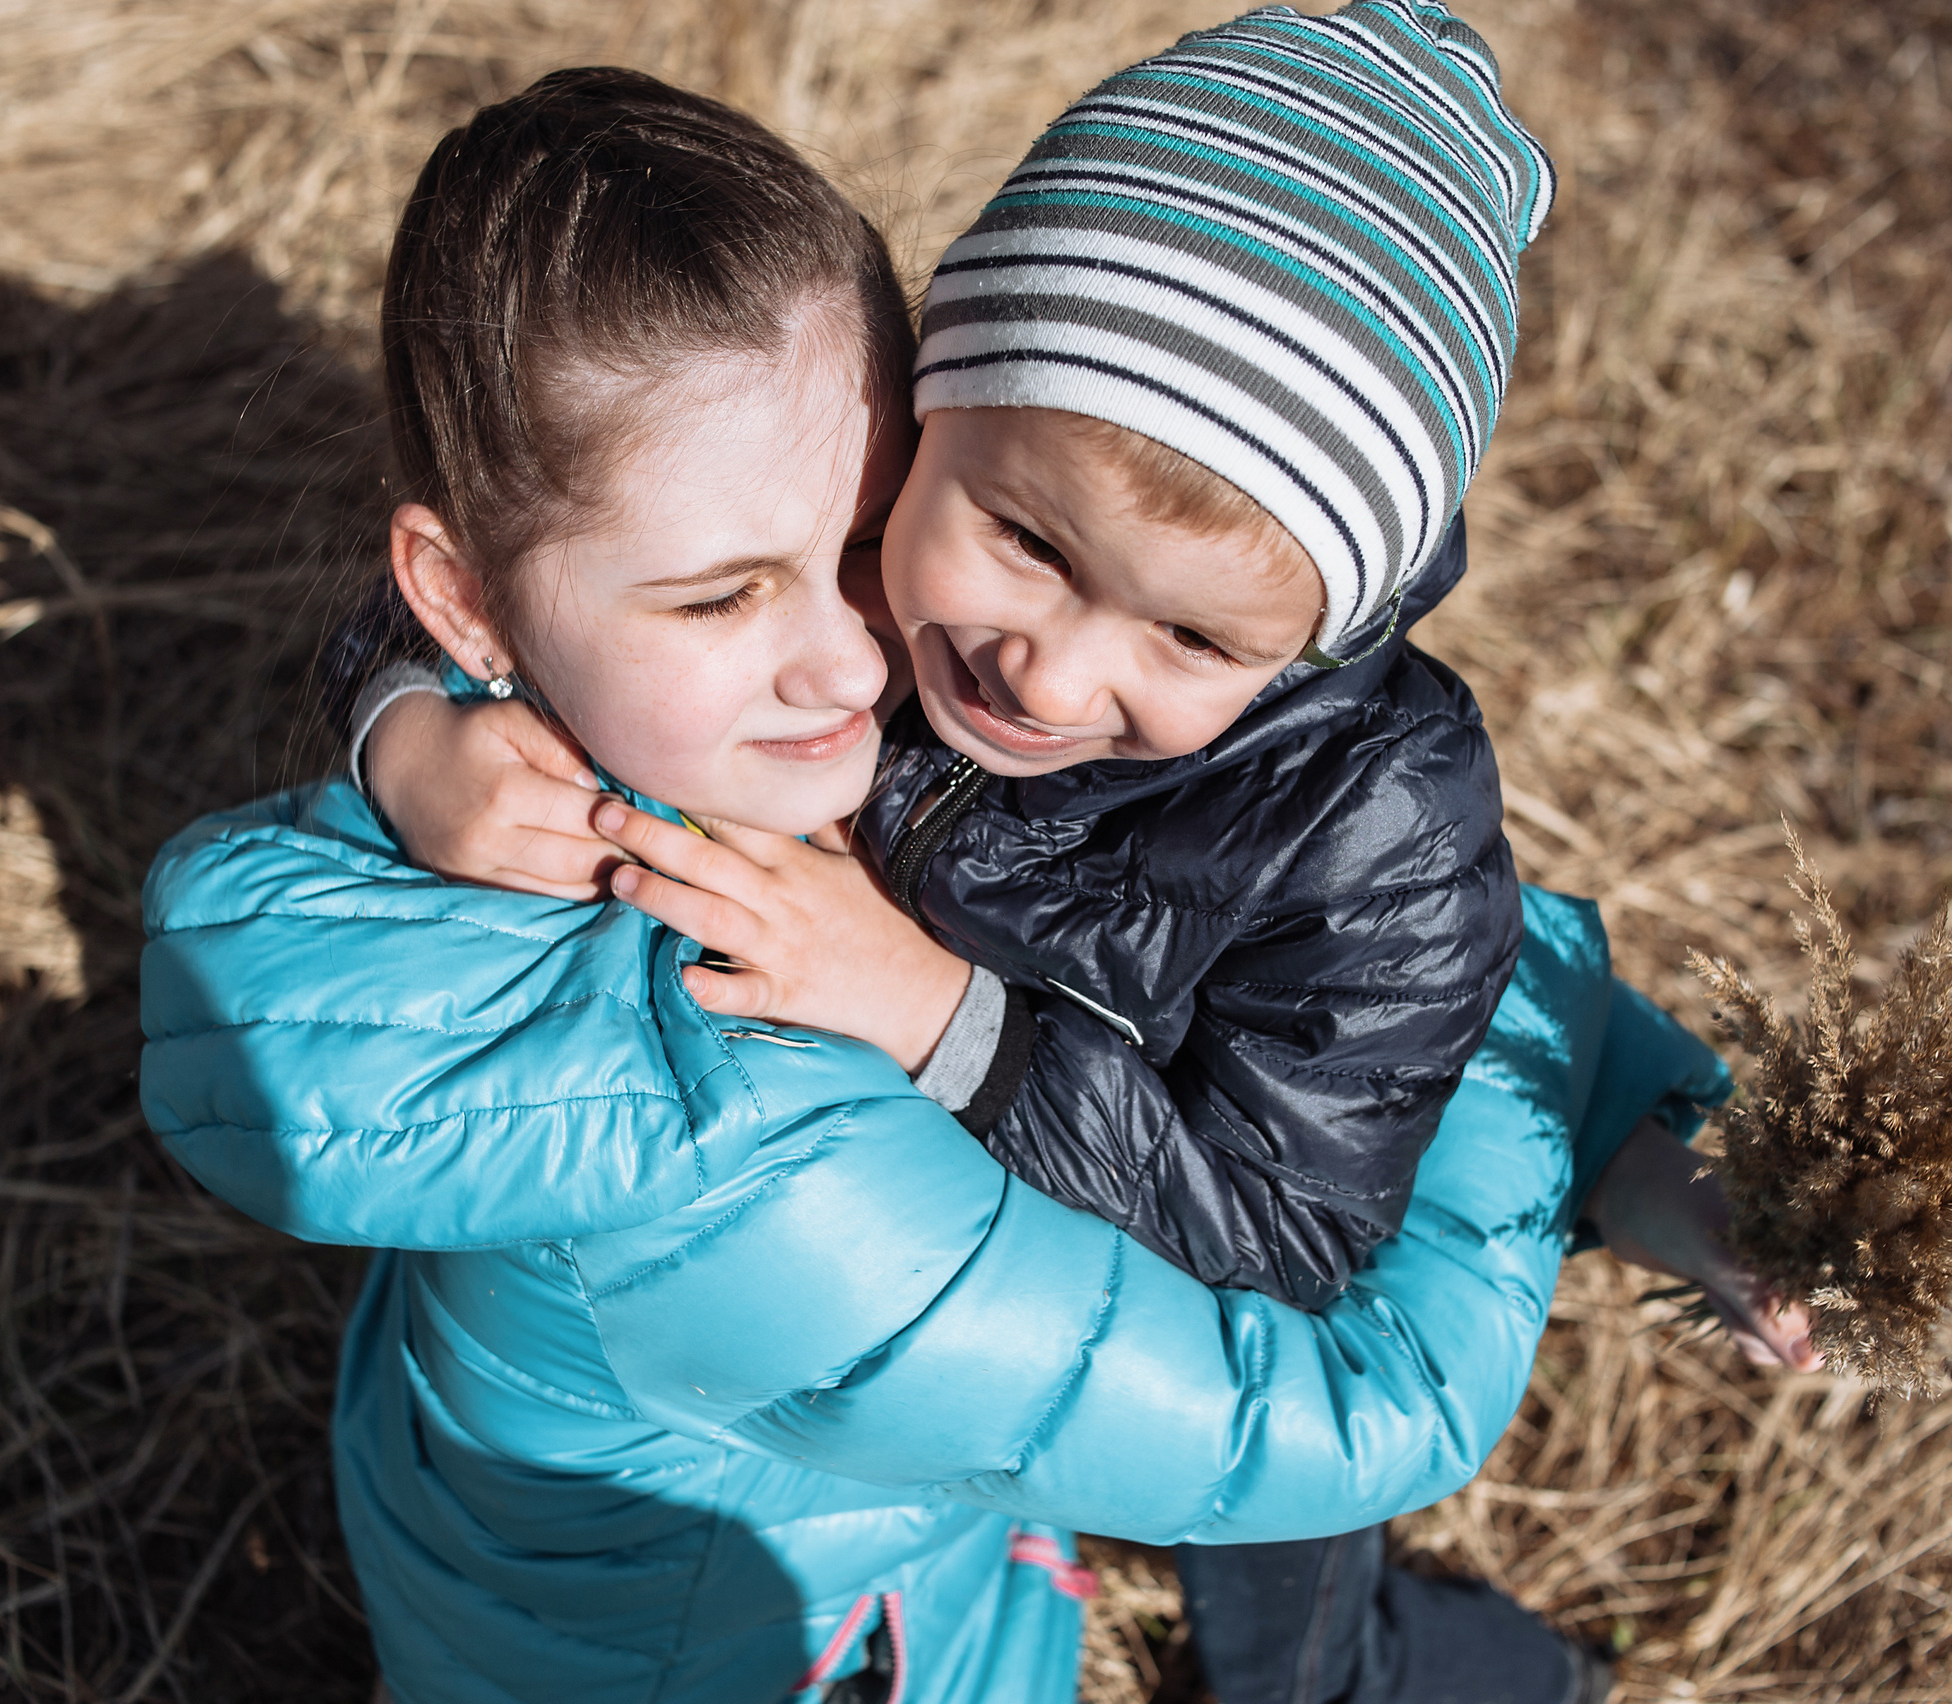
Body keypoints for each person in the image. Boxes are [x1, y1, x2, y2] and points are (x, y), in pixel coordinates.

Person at [332, 6, 1813, 1699]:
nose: (1048, 669)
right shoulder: (852, 598)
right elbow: (539, 599)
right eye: (1019, 537)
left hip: (1219, 1232)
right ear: (934, 400)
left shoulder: (1377, 826)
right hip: (806, 1445)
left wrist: (942, 1016)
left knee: (1312, 1617)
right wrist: (405, 724)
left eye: (1190, 639)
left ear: (1314, 642)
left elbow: (1294, 1222)